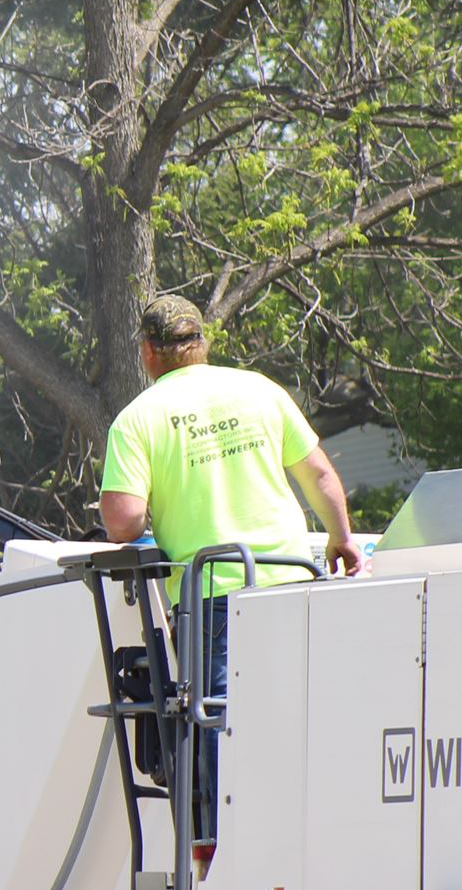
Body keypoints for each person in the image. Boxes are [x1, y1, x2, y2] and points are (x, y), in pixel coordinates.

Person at [100, 296, 363, 817]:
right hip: (292, 583)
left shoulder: (138, 419)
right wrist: (342, 538)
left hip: (214, 595)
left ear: (148, 353)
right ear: (202, 344)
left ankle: (224, 848)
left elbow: (122, 521)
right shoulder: (259, 391)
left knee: (219, 719)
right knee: (293, 711)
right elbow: (320, 475)